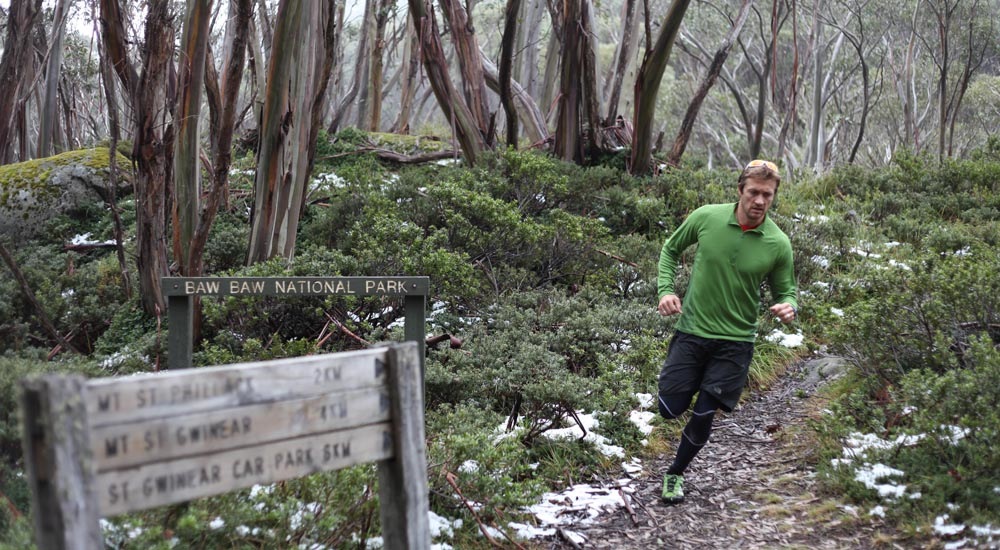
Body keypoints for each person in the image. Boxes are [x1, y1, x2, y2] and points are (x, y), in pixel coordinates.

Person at [655, 159, 798, 504]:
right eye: (753, 192)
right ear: (740, 191)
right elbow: (671, 249)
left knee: (705, 412)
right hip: (692, 331)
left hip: (736, 342)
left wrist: (788, 305)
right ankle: (683, 394)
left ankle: (675, 474)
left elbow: (786, 291)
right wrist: (665, 290)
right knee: (668, 408)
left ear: (774, 196)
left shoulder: (778, 243)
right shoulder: (707, 217)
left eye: (767, 194)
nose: (760, 201)